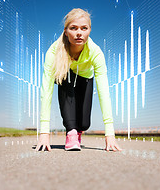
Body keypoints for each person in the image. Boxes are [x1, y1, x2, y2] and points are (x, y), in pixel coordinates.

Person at [36, 8, 122, 152]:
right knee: (64, 78)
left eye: (84, 28)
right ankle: (71, 133)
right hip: (66, 75)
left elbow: (104, 92)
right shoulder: (54, 51)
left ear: (90, 30)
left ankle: (78, 131)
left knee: (84, 123)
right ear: (65, 31)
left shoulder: (96, 52)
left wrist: (110, 134)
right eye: (73, 28)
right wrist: (44, 132)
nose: (79, 33)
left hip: (85, 78)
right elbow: (46, 90)